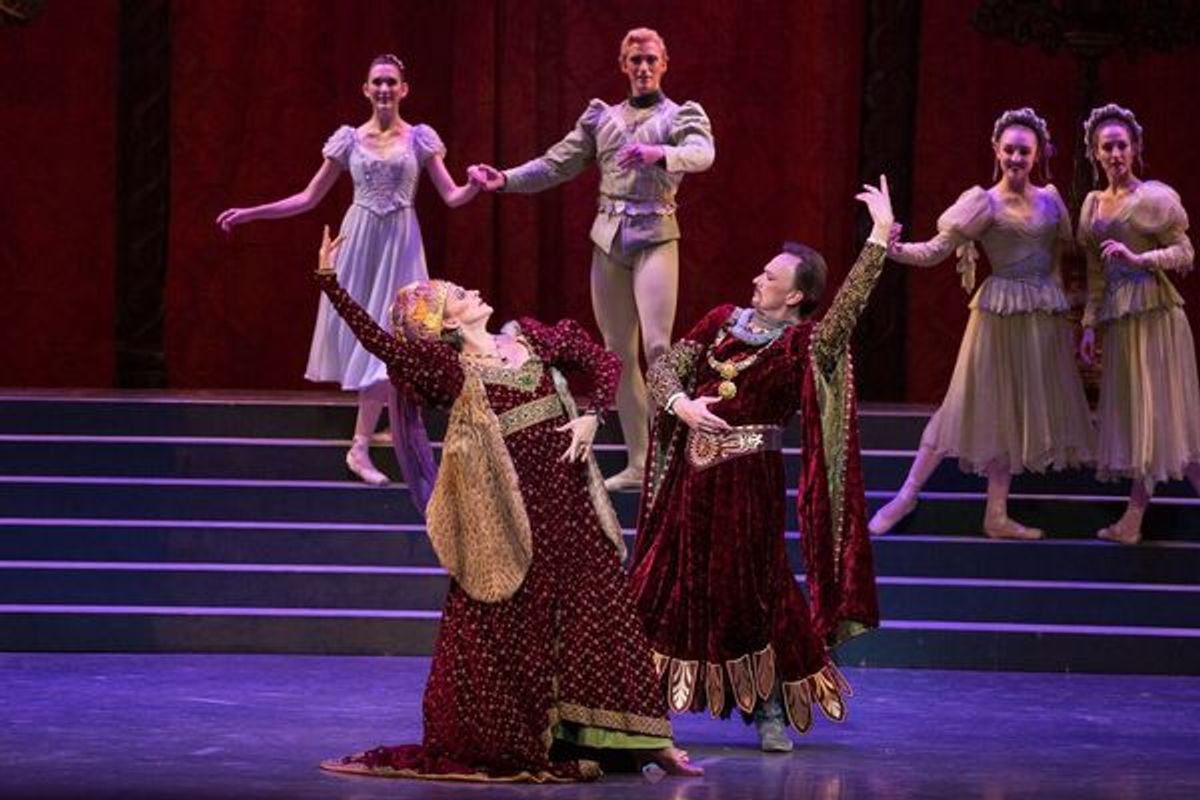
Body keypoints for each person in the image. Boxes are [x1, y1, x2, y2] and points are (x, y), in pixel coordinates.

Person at [307, 228, 701, 781]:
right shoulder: (450, 371)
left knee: (602, 617)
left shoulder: (533, 340)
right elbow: (383, 344)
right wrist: (331, 284)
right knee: (517, 628)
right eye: (458, 295)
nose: (471, 291)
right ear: (446, 323)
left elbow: (604, 361)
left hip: (571, 505)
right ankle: (531, 736)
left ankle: (649, 743)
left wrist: (596, 415)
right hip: (512, 517)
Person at [628, 177, 893, 752]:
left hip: (748, 485)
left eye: (771, 277)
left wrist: (876, 241)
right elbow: (663, 370)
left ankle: (766, 703)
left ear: (795, 296)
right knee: (663, 586)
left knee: (753, 593)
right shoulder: (721, 320)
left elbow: (844, 316)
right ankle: (636, 708)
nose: (757, 279)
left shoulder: (803, 345)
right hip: (689, 481)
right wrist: (683, 405)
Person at [217, 54, 479, 507]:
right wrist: (252, 213)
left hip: (401, 242)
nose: (383, 89)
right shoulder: (348, 141)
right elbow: (308, 196)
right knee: (370, 339)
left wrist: (479, 183)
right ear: (365, 89)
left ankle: (373, 435)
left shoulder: (419, 139)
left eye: (390, 83)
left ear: (403, 89)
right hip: (359, 242)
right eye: (376, 82)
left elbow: (453, 197)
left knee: (398, 340)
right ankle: (361, 445)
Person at [468, 27, 715, 491]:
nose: (642, 68)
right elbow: (555, 163)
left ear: (664, 63)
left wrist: (660, 152)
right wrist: (504, 179)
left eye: (650, 60)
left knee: (658, 349)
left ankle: (668, 459)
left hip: (656, 236)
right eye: (634, 60)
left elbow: (703, 154)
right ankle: (640, 462)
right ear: (623, 65)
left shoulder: (680, 116)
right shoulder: (602, 118)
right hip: (609, 240)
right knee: (618, 353)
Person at [868, 108, 1094, 539]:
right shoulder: (981, 202)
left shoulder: (1050, 199)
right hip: (998, 313)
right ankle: (906, 494)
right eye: (1008, 149)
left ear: (1039, 154)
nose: (1015, 157)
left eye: (1023, 151)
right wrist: (891, 247)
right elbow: (934, 251)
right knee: (964, 405)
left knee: (1012, 414)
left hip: (1042, 319)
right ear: (996, 150)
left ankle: (996, 514)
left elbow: (1068, 258)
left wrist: (1076, 314)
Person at [1077, 103, 1200, 544]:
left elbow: (1185, 253)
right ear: (1095, 152)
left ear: (1135, 149)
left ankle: (1132, 520)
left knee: (1161, 419)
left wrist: (1140, 258)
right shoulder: (1092, 205)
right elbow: (1095, 272)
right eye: (1106, 146)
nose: (1114, 153)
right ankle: (1132, 518)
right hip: (1120, 319)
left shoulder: (1154, 198)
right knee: (1149, 422)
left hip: (1156, 314)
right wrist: (1090, 325)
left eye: (1121, 145)